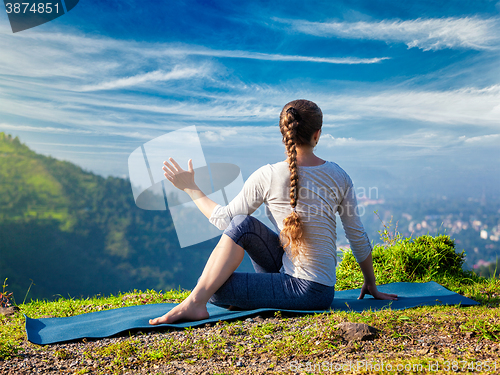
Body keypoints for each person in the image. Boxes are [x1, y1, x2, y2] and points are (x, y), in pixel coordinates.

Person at [149, 99, 397, 325]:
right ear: (317, 134)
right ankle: (199, 300)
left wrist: (191, 188)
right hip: (319, 287)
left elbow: (221, 219)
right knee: (242, 224)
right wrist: (371, 284)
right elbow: (357, 235)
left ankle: (195, 303)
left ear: (284, 133)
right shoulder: (339, 175)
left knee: (214, 288)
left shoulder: (267, 174)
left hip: (307, 291)